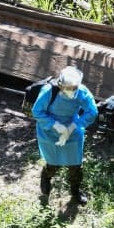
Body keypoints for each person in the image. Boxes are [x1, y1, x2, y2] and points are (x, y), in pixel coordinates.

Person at [33, 66, 98, 206]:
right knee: (52, 162)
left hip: (72, 131)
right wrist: (56, 125)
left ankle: (75, 191)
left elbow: (92, 112)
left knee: (75, 164)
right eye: (68, 87)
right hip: (49, 131)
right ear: (60, 84)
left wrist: (73, 126)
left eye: (74, 87)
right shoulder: (49, 91)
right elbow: (37, 111)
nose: (71, 91)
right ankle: (45, 184)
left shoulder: (81, 92)